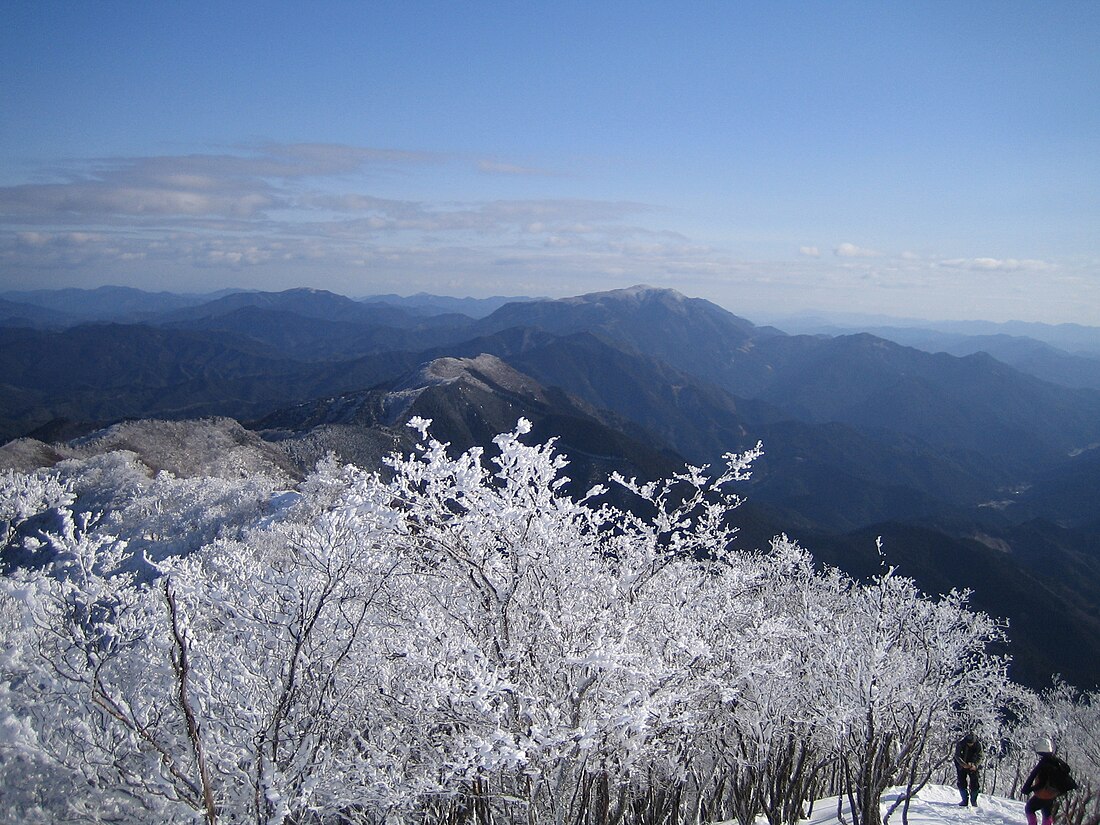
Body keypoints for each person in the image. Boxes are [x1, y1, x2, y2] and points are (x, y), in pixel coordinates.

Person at [1022, 737, 1077, 825]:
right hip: (1053, 793)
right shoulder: (1056, 761)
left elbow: (1040, 782)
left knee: (1029, 808)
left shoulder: (1043, 764)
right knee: (1046, 812)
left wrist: (1028, 789)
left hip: (1043, 794)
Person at [954, 731, 983, 806]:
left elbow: (980, 756)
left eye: (971, 743)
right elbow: (957, 756)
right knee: (961, 782)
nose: (970, 744)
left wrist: (975, 765)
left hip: (973, 765)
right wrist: (963, 764)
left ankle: (974, 801)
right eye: (969, 743)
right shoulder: (961, 744)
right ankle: (964, 800)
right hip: (962, 764)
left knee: (975, 783)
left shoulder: (978, 745)